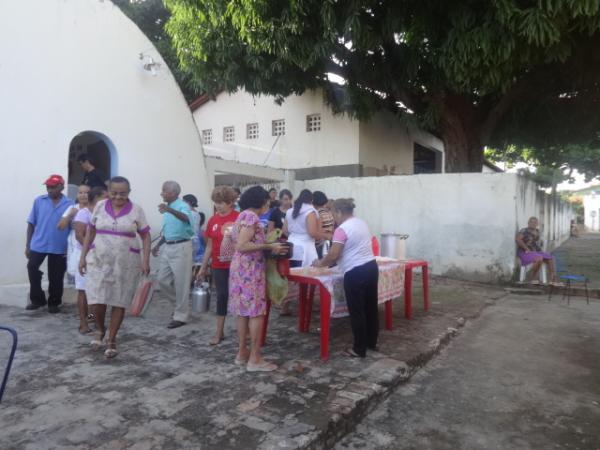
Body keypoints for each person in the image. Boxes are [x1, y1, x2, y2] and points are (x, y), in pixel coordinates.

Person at [79, 176, 151, 358]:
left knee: (119, 300)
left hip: (126, 263)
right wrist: (82, 257)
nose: (118, 197)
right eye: (114, 193)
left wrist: (145, 260)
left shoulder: (137, 210)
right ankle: (100, 329)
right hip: (99, 260)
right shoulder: (100, 206)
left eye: (123, 193)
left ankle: (111, 338)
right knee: (96, 299)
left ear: (129, 192)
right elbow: (90, 231)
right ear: (108, 191)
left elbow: (145, 235)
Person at [228, 186, 285, 371]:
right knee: (256, 312)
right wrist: (269, 247)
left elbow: (241, 242)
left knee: (243, 311)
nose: (268, 204)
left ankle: (242, 353)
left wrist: (267, 244)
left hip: (240, 268)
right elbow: (243, 245)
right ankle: (255, 359)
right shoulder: (252, 217)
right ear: (261, 201)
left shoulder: (242, 215)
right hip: (250, 269)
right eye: (267, 201)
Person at [313, 198, 379, 358]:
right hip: (371, 267)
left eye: (333, 214)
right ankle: (371, 342)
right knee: (370, 308)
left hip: (356, 272)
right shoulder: (361, 223)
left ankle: (358, 349)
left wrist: (319, 263)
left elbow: (334, 254)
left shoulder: (342, 229)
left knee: (357, 311)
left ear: (339, 212)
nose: (333, 218)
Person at [196, 186, 239, 345]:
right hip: (218, 265)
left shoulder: (239, 218)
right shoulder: (213, 220)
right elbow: (209, 246)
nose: (218, 206)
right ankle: (219, 332)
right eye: (216, 202)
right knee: (221, 297)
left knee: (238, 297)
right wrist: (203, 267)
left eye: (221, 202)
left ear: (230, 202)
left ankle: (243, 331)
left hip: (236, 265)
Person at [26, 174, 74, 312]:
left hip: (60, 246)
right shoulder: (39, 201)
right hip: (38, 244)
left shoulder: (70, 204)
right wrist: (28, 245)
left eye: (53, 187)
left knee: (56, 276)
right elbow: (31, 223)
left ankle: (54, 303)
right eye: (48, 187)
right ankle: (37, 300)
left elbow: (72, 228)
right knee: (32, 268)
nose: (50, 189)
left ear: (61, 187)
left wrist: (70, 248)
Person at [152, 181, 195, 329]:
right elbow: (169, 231)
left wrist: (169, 210)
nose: (161, 193)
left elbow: (187, 218)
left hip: (182, 247)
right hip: (169, 247)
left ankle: (181, 316)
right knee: (162, 280)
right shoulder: (168, 208)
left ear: (173, 193)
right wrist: (157, 245)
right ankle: (179, 307)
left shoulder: (182, 205)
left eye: (164, 191)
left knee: (181, 283)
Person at [72, 186, 107, 334]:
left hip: (101, 257)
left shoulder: (104, 214)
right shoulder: (83, 213)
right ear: (96, 198)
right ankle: (83, 323)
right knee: (83, 291)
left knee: (98, 291)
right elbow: (79, 235)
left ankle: (94, 319)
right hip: (85, 256)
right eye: (104, 197)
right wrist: (92, 249)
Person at [57, 184, 90, 284]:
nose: (83, 195)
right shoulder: (72, 208)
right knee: (76, 268)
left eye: (86, 193)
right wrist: (71, 214)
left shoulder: (94, 208)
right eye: (80, 193)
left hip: (90, 240)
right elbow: (60, 227)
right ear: (77, 195)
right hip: (74, 241)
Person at [282, 189, 322, 268]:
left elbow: (285, 230)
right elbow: (312, 232)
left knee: (291, 275)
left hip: (290, 247)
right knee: (305, 276)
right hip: (306, 248)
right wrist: (321, 237)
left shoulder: (290, 211)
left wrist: (294, 236)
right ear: (311, 200)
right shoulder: (310, 212)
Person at [515, 216, 557, 284]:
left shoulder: (537, 231)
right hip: (524, 252)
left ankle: (552, 278)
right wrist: (527, 249)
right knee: (539, 258)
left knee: (550, 257)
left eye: (535, 223)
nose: (533, 224)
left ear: (537, 224)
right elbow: (518, 240)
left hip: (536, 251)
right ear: (528, 223)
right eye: (531, 222)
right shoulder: (524, 230)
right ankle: (533, 277)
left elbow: (537, 242)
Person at [183, 194, 206, 268]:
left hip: (190, 240)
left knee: (187, 265)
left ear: (188, 203)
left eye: (183, 202)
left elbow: (187, 229)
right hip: (195, 240)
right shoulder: (197, 214)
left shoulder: (190, 214)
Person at [313, 191, 334, 258]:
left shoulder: (317, 214)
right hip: (329, 243)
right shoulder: (329, 213)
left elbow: (316, 232)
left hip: (320, 245)